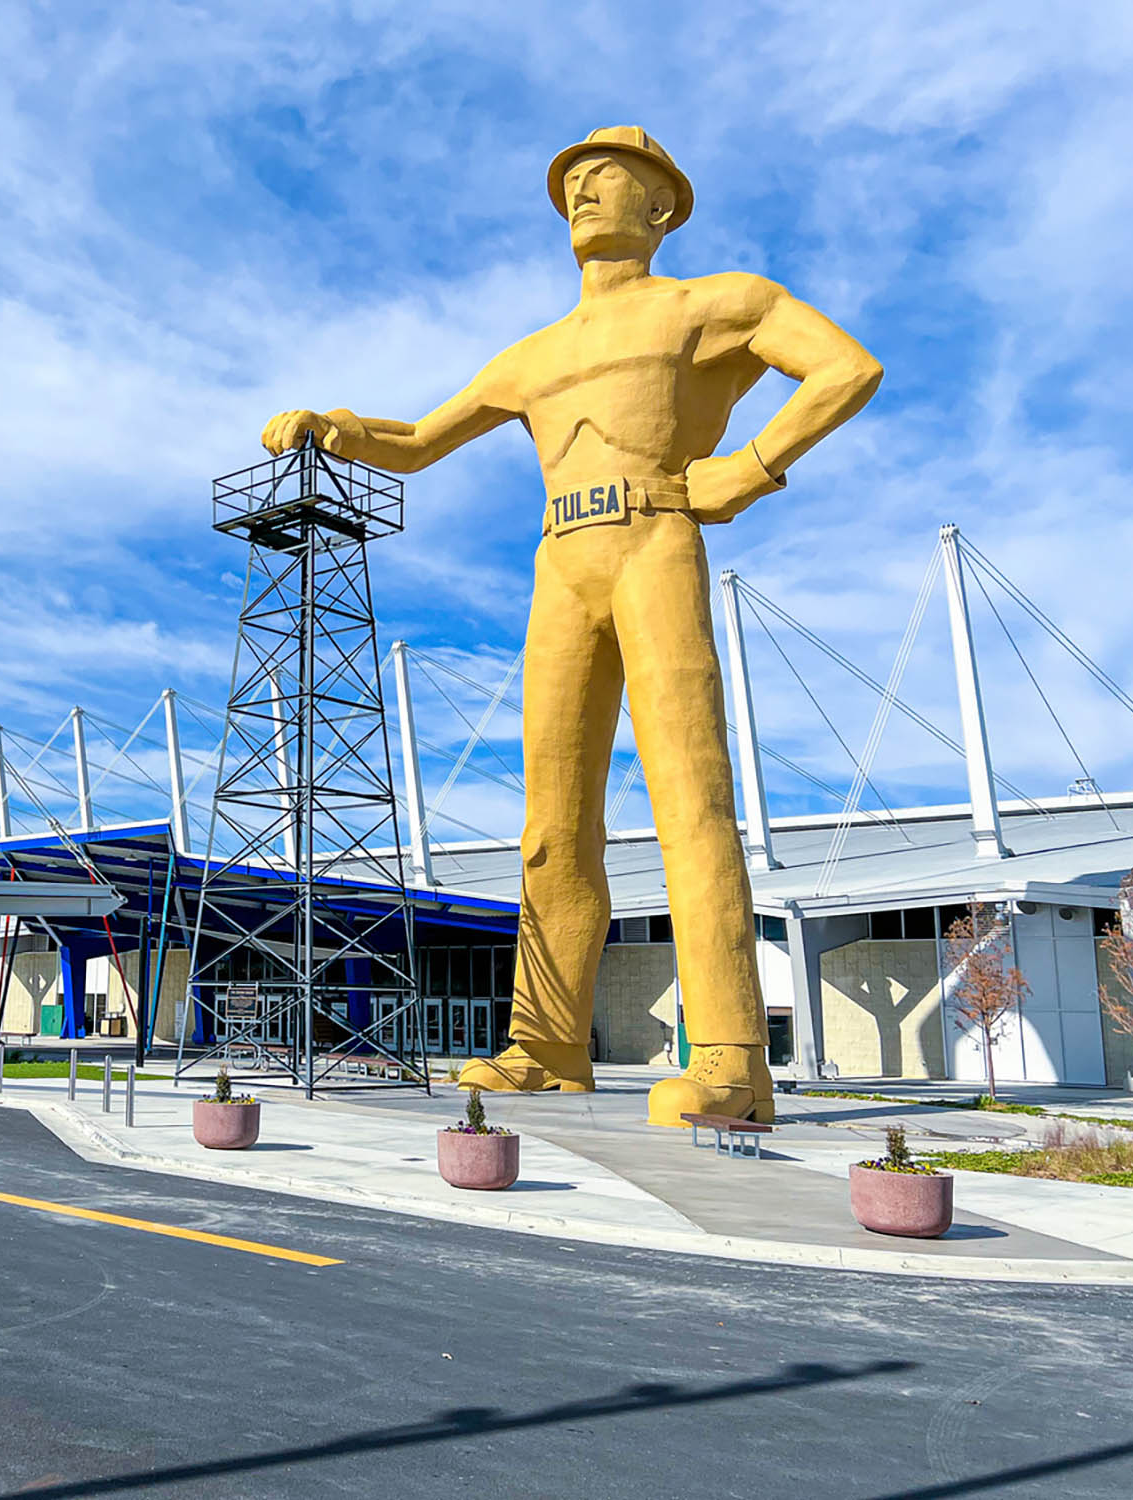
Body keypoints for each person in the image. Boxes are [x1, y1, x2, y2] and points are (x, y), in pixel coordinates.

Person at [261, 128, 881, 1123]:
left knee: (688, 797)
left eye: (607, 181)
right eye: (572, 187)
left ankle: (728, 1060)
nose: (585, 196)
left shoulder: (710, 304)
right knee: (549, 827)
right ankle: (544, 1045)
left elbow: (844, 368)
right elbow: (418, 441)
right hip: (560, 563)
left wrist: (752, 465)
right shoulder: (532, 357)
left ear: (661, 206)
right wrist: (334, 429)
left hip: (653, 543)